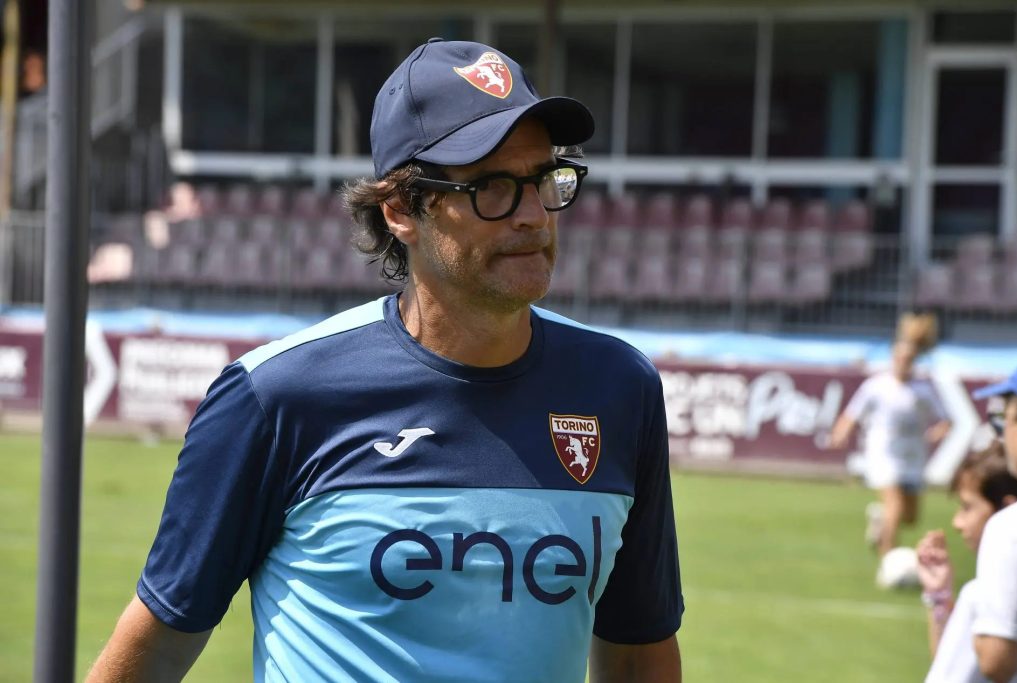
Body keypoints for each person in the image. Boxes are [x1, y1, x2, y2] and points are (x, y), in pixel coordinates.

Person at [87, 38, 683, 682]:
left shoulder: (619, 386)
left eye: (544, 179)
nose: (535, 216)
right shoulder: (275, 396)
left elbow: (637, 654)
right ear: (400, 209)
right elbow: (157, 646)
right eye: (493, 187)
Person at [829, 331, 951, 562]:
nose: (903, 362)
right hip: (883, 451)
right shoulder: (876, 386)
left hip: (913, 454)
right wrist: (840, 433)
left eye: (908, 358)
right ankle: (888, 563)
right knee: (894, 505)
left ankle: (880, 518)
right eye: (899, 357)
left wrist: (937, 432)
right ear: (893, 358)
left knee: (910, 517)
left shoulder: (923, 389)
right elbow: (852, 414)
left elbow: (945, 420)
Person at [916, 442, 1017, 682]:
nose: (957, 522)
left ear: (1005, 509)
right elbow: (955, 665)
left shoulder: (980, 594)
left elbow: (953, 676)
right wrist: (940, 596)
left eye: (967, 507)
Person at [966, 361, 1017, 683]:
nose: (1002, 437)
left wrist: (965, 618)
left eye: (1007, 419)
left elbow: (996, 662)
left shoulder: (1010, 528)